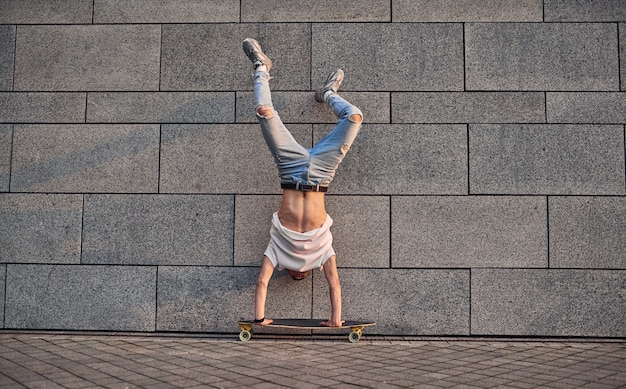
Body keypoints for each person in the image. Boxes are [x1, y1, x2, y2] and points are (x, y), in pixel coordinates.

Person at [243, 38, 363, 328]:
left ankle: (261, 67)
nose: (298, 274)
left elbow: (261, 282)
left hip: (290, 171)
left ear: (289, 271)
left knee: (264, 112)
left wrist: (259, 318)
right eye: (302, 275)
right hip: (322, 174)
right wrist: (335, 320)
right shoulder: (321, 253)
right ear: (307, 272)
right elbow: (334, 284)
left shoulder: (277, 252)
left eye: (295, 275)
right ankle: (329, 93)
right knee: (355, 117)